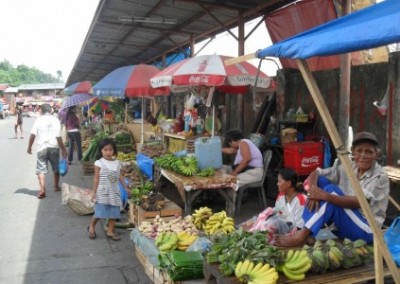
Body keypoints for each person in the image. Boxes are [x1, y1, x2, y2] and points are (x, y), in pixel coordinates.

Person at [274, 131, 390, 246]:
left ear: (376, 155)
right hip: (343, 226)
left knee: (330, 192)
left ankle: (302, 235)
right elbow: (316, 173)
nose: (363, 156)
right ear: (353, 152)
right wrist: (313, 192)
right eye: (359, 151)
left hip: (367, 231)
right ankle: (309, 232)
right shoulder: (350, 166)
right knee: (322, 182)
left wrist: (324, 196)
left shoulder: (380, 176)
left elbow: (361, 202)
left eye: (369, 152)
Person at [88, 138, 130, 241]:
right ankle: (92, 226)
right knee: (99, 212)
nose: (108, 152)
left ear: (114, 151)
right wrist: (94, 192)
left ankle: (110, 231)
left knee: (114, 213)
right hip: (103, 192)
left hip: (114, 192)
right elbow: (96, 178)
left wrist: (125, 187)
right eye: (105, 150)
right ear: (101, 151)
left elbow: (120, 176)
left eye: (110, 149)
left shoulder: (117, 163)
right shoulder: (99, 163)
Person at [27, 103, 68, 199]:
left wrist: (29, 147)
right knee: (56, 168)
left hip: (41, 148)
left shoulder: (38, 120)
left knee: (41, 169)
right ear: (51, 111)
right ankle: (56, 186)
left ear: (41, 111)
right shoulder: (55, 120)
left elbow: (33, 134)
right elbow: (58, 137)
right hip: (54, 147)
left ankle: (42, 189)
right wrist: (63, 149)